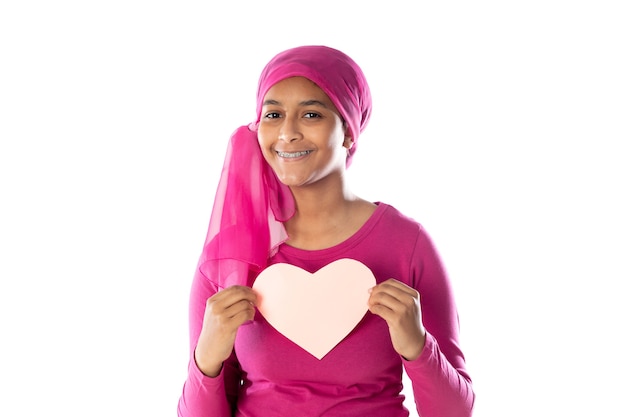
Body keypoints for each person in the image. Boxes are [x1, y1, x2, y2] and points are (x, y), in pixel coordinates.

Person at [177, 45, 475, 417]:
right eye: (273, 114)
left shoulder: (406, 244)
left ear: (349, 132)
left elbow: (455, 411)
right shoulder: (229, 253)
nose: (287, 133)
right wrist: (207, 357)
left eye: (311, 114)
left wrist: (418, 346)